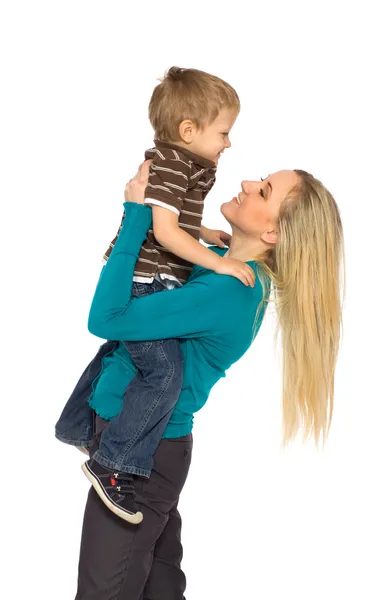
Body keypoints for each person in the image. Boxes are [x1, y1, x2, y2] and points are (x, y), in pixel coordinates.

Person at [56, 160, 344, 599]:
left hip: (139, 455)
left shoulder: (231, 289)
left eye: (264, 192)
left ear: (273, 234)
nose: (248, 183)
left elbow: (106, 317)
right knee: (159, 587)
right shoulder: (225, 271)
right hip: (150, 448)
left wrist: (135, 214)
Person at [64, 66, 255, 525]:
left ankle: (72, 425)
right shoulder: (172, 165)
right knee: (164, 375)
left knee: (123, 351)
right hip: (146, 279)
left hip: (157, 277)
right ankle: (111, 463)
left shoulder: (187, 163)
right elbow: (165, 232)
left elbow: (177, 222)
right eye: (224, 132)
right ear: (189, 131)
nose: (228, 143)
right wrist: (218, 261)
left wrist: (209, 234)